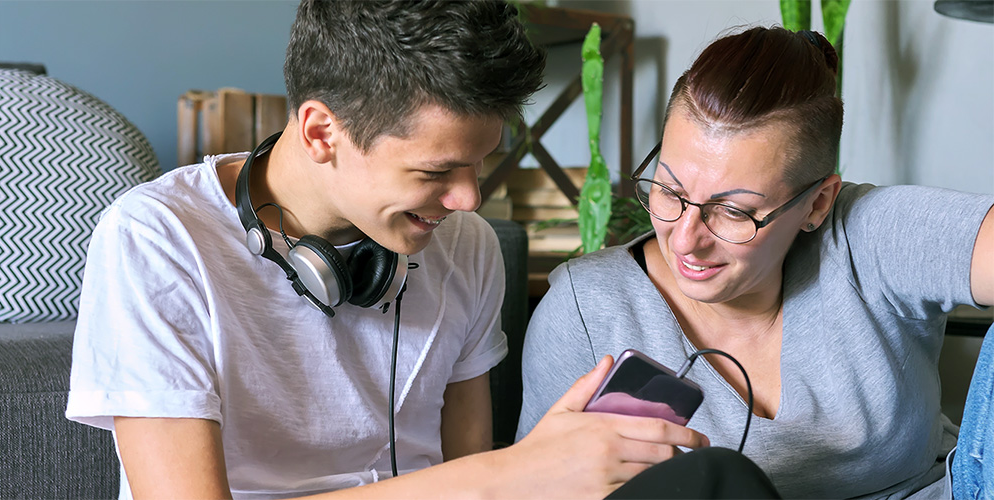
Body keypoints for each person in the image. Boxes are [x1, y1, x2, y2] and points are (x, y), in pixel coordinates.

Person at [66, 1, 723, 498]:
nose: (468, 200)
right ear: (323, 132)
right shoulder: (157, 241)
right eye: (437, 172)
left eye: (481, 163)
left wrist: (539, 475)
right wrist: (510, 473)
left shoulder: (466, 247)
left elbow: (467, 470)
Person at [516, 26, 994, 499]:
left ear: (817, 204)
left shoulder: (867, 235)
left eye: (734, 211)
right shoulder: (585, 309)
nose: (685, 240)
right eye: (669, 190)